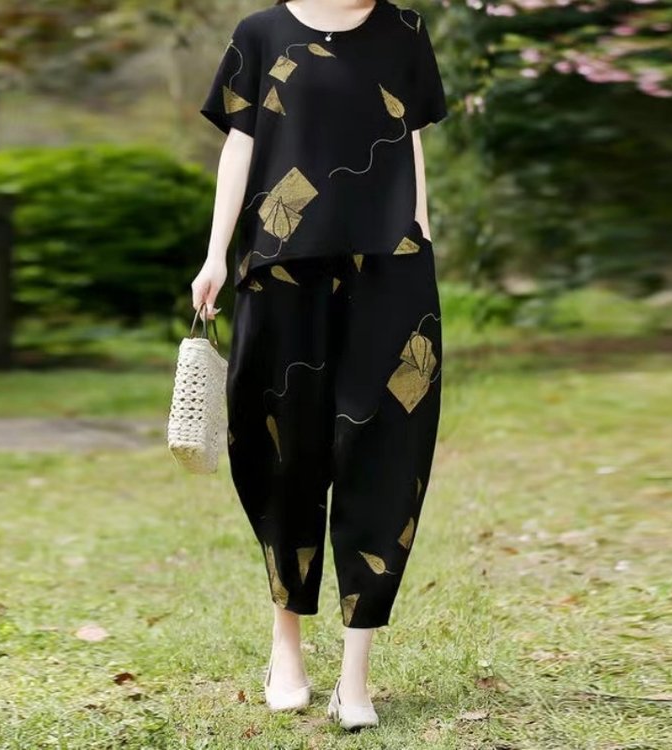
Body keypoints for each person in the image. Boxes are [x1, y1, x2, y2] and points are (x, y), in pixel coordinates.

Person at [191, 0, 447, 730]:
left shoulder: (405, 31)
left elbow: (411, 139)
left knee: (386, 450)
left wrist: (421, 235)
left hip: (389, 266)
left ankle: (355, 676)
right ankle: (287, 647)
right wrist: (216, 255)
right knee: (280, 450)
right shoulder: (261, 34)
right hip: (281, 268)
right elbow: (241, 142)